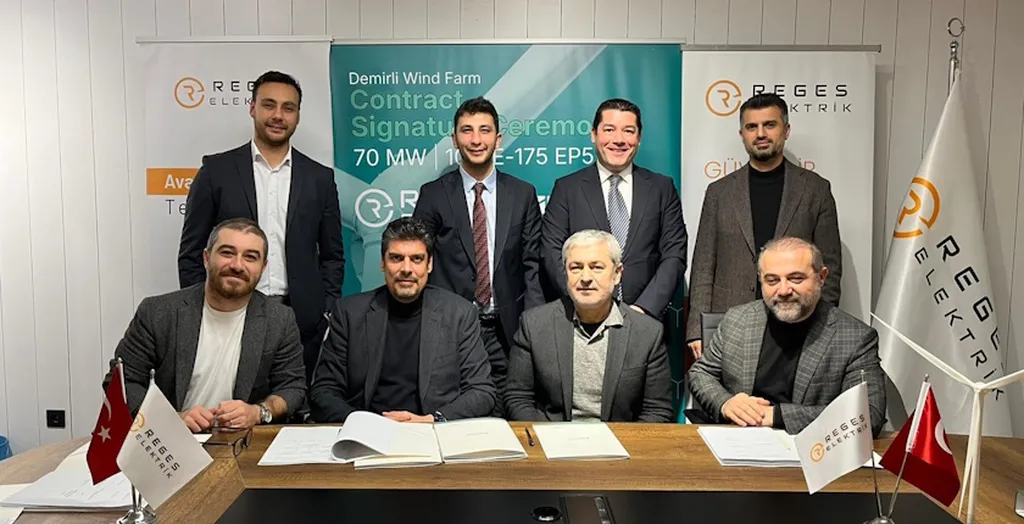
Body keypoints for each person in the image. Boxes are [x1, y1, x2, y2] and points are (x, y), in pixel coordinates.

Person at [177, 70, 345, 385]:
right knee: (231, 403)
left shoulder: (319, 178)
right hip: (228, 312)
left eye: (288, 108)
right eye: (269, 105)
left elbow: (332, 255)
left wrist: (325, 308)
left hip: (300, 320)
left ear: (297, 116)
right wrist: (201, 311)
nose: (278, 115)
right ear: (252, 108)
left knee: (292, 403)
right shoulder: (216, 171)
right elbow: (192, 252)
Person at [104, 218, 306, 432]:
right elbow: (121, 382)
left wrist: (258, 412)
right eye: (227, 253)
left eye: (250, 257)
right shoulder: (158, 312)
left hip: (241, 440)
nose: (237, 265)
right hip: (169, 439)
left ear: (263, 267)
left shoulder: (279, 319)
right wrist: (170, 420)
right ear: (206, 258)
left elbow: (292, 387)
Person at [412, 97, 543, 415]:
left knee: (507, 413)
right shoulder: (433, 194)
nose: (476, 139)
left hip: (507, 330)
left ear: (498, 139)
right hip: (452, 328)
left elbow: (532, 264)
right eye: (467, 130)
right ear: (454, 139)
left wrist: (533, 326)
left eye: (485, 130)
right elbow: (418, 260)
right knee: (454, 413)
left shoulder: (522, 194)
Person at [686, 93, 841, 359]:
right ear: (742, 134)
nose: (760, 134)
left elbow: (830, 268)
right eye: (752, 127)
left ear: (786, 130)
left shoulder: (816, 189)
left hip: (797, 322)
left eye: (769, 125)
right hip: (730, 323)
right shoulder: (719, 192)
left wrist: (821, 326)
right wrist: (696, 330)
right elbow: (703, 266)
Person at [687, 237, 885, 436]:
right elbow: (701, 373)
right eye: (772, 280)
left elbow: (869, 413)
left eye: (796, 278)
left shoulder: (855, 338)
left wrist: (776, 416)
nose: (783, 290)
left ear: (821, 277)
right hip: (738, 438)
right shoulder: (737, 320)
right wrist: (726, 403)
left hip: (810, 446)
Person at [309, 217, 496, 423]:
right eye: (396, 258)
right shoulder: (349, 313)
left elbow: (481, 391)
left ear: (429, 264)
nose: (406, 269)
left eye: (416, 259)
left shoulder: (459, 314)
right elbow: (323, 391)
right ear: (382, 263)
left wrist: (432, 419)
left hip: (432, 430)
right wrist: (366, 424)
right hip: (368, 432)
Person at [505, 230, 673, 423]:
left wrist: (624, 440)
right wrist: (547, 436)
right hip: (553, 436)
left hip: (619, 439)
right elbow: (517, 398)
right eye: (576, 268)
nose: (585, 277)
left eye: (596, 267)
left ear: (617, 274)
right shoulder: (534, 325)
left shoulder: (647, 333)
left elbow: (657, 411)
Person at [541, 98, 687, 319]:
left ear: (639, 138)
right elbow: (551, 253)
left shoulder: (661, 188)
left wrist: (644, 309)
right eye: (609, 130)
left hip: (645, 320)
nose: (618, 140)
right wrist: (585, 303)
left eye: (628, 131)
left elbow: (674, 254)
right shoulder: (567, 189)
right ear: (594, 134)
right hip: (580, 319)